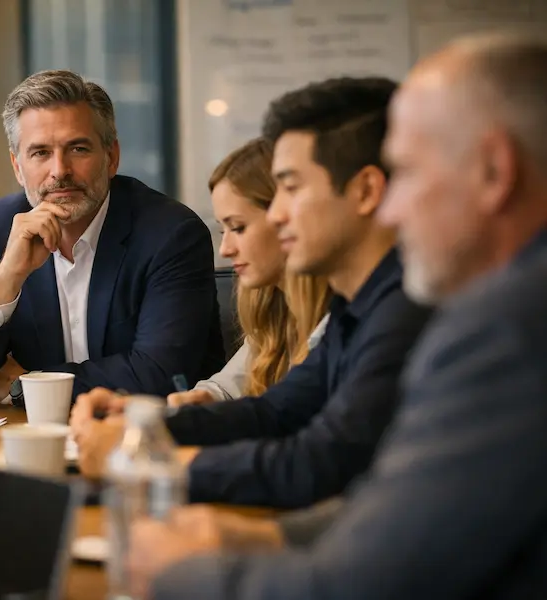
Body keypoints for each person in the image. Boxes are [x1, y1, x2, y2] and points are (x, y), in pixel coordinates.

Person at [129, 33, 547, 600]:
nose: (393, 211)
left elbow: (362, 580)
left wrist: (176, 571)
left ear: (495, 172)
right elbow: (393, 505)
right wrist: (262, 536)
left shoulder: (505, 327)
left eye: (409, 174)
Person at [71, 76, 433, 509]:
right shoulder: (356, 308)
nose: (277, 215)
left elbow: (320, 461)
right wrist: (145, 424)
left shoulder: (408, 311)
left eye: (292, 188)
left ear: (366, 191)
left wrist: (150, 464)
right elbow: (276, 411)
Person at [0, 70, 223, 406]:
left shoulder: (170, 233)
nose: (59, 171)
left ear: (111, 157)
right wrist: (7, 276)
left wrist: (24, 385)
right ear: (17, 167)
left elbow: (161, 375)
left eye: (77, 148)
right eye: (40, 153)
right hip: (31, 442)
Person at [167, 138, 330, 409]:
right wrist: (199, 400)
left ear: (285, 218)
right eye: (223, 230)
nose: (225, 250)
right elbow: (227, 387)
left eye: (238, 228)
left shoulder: (344, 318)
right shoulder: (276, 308)